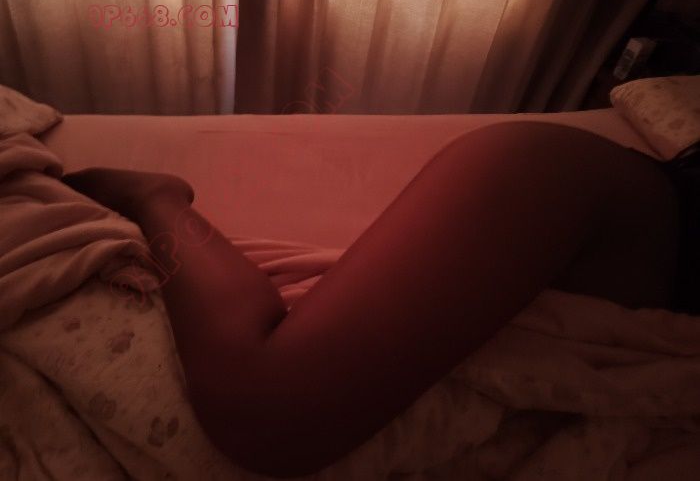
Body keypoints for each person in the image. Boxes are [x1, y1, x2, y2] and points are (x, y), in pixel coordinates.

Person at [61, 121, 692, 478]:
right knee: (268, 409)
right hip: (593, 194)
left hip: (621, 228)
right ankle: (155, 198)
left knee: (273, 410)